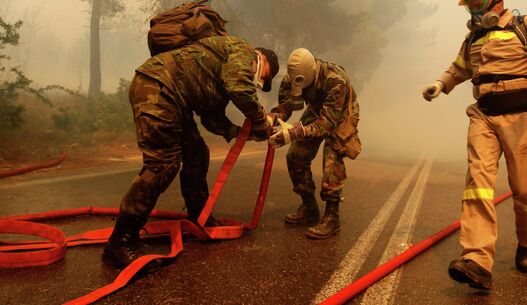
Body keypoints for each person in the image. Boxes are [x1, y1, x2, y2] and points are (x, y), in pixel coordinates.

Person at [422, 0, 527, 289]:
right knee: (477, 185)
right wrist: (441, 84)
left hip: (523, 117)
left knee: (526, 189)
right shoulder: (473, 39)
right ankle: (476, 261)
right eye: (469, 8)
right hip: (484, 117)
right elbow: (459, 68)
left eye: (477, 3)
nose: (474, 13)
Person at [102, 35, 279, 268]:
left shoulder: (222, 65)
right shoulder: (243, 50)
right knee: (163, 164)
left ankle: (199, 218)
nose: (259, 80)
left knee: (197, 153)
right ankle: (120, 243)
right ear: (262, 58)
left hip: (171, 95)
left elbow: (211, 118)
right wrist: (261, 121)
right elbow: (239, 87)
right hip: (158, 88)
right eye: (264, 76)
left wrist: (241, 132)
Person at [269, 48, 361, 239]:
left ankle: (332, 217)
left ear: (311, 73)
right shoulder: (291, 78)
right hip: (316, 109)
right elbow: (285, 107)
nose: (297, 84)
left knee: (332, 158)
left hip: (340, 112)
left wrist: (295, 132)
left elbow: (327, 124)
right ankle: (310, 208)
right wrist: (272, 118)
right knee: (295, 155)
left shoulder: (336, 80)